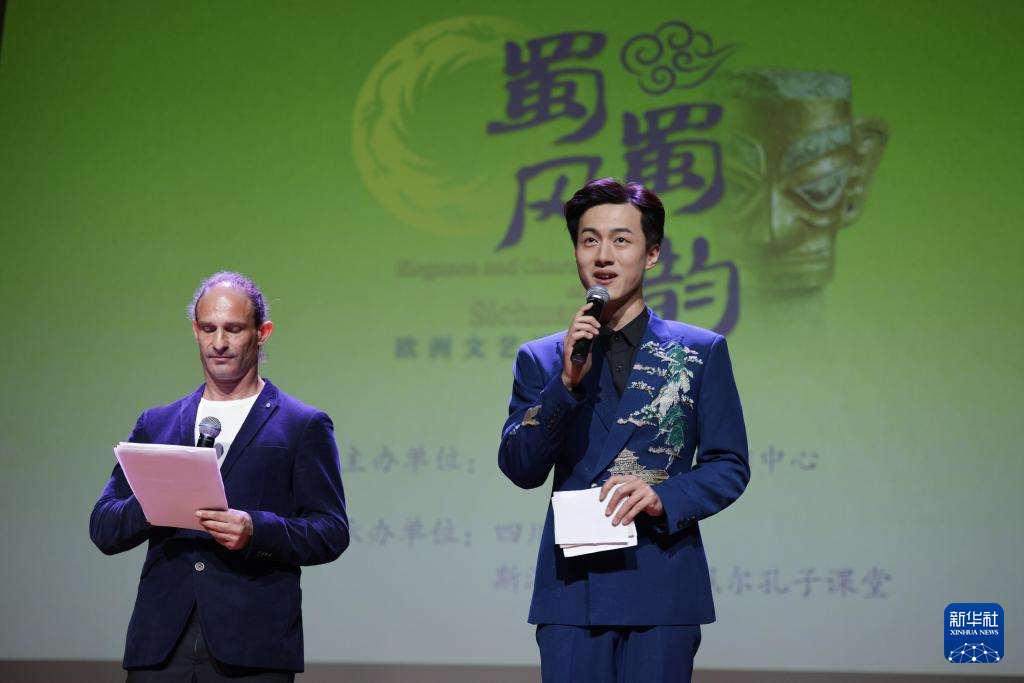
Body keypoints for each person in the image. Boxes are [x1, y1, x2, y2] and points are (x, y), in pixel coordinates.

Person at [498, 179, 750, 682]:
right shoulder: (542, 358)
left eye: (621, 240)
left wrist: (663, 498)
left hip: (662, 583)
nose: (603, 255)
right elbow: (521, 467)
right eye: (589, 240)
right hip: (574, 591)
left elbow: (728, 464)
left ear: (652, 254)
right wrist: (566, 384)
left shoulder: (699, 351)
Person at [90, 271, 349, 682]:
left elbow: (330, 531)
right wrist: (156, 501)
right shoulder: (156, 423)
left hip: (252, 650)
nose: (219, 343)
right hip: (159, 648)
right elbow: (104, 527)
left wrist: (256, 530)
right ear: (195, 331)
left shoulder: (302, 424)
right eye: (208, 329)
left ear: (262, 333)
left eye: (234, 329)